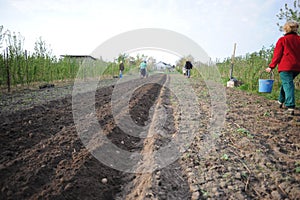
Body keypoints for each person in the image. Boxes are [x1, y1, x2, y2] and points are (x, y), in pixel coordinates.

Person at [265, 20, 300, 116]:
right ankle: (280, 101)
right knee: (286, 83)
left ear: (286, 29)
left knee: (288, 84)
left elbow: (277, 55)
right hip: (297, 67)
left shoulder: (283, 40)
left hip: (286, 67)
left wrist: (271, 66)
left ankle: (290, 106)